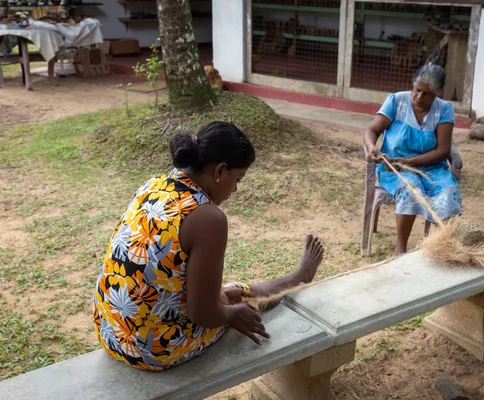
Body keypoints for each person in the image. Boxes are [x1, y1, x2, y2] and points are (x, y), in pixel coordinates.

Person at [92, 121, 324, 371]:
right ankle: (298, 277)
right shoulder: (207, 217)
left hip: (110, 330)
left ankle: (296, 277)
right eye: (238, 179)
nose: (235, 189)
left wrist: (223, 303)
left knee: (228, 295)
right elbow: (203, 314)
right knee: (237, 296)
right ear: (220, 170)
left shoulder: (155, 185)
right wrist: (232, 314)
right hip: (151, 349)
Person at [364, 63, 462, 256]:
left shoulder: (444, 110)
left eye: (427, 94)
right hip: (395, 169)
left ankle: (439, 246)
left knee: (448, 191)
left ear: (437, 94)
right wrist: (371, 147)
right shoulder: (396, 101)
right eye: (417, 90)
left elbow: (443, 150)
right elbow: (372, 130)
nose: (419, 97)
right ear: (413, 85)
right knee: (409, 188)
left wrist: (411, 161)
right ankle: (400, 248)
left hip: (433, 168)